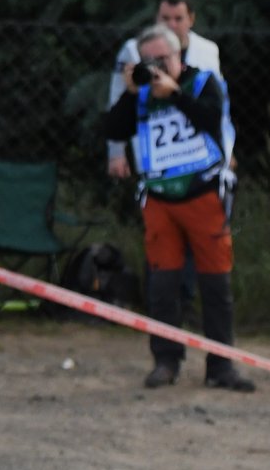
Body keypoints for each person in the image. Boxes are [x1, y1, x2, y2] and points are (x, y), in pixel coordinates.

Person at [101, 23, 256, 392]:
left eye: (162, 59)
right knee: (163, 284)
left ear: (179, 56)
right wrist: (129, 92)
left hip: (203, 194)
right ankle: (165, 361)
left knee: (215, 283)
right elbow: (112, 129)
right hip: (159, 199)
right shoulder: (139, 95)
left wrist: (174, 95)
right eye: (148, 59)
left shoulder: (203, 83)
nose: (155, 66)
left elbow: (211, 119)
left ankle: (221, 365)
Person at [107, 0, 230, 180]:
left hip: (200, 157)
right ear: (157, 17)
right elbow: (116, 99)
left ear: (191, 19)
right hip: (153, 156)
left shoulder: (207, 50)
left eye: (178, 18)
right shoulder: (134, 49)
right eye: (165, 18)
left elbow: (218, 105)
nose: (171, 24)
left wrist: (229, 147)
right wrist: (116, 153)